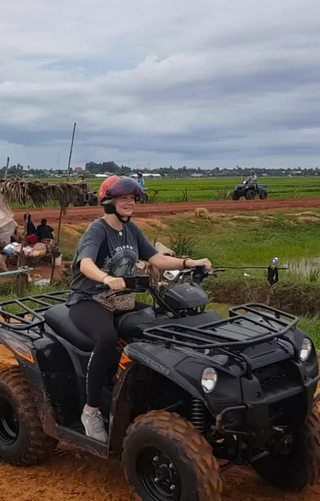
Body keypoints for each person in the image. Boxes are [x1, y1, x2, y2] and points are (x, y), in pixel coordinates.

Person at [68, 175, 212, 441]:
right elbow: (85, 263)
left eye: (132, 198)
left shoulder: (132, 229)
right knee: (107, 338)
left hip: (120, 300)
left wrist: (189, 262)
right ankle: (91, 411)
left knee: (163, 324)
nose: (130, 203)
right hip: (88, 299)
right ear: (109, 202)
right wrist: (107, 278)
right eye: (123, 198)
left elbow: (156, 258)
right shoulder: (97, 230)